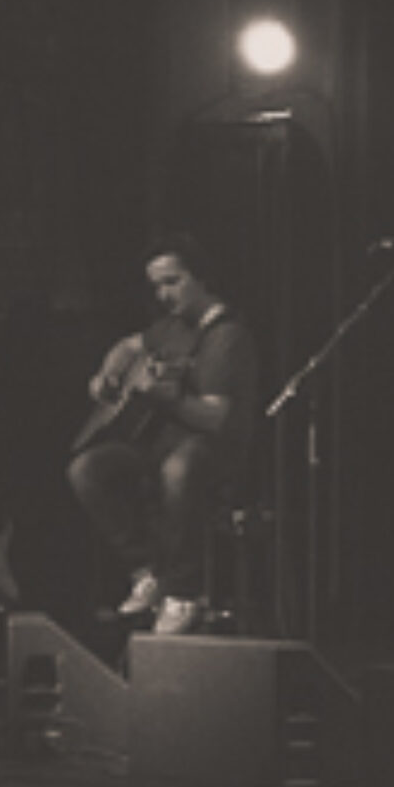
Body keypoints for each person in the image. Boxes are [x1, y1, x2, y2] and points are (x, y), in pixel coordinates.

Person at [67, 232, 258, 637]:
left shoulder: (227, 336)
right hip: (164, 444)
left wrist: (167, 399)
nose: (163, 294)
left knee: (178, 469)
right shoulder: (171, 327)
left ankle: (183, 592)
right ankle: (147, 571)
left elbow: (215, 418)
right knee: (88, 469)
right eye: (156, 286)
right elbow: (127, 346)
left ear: (201, 277)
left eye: (172, 281)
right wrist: (108, 374)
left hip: (214, 451)